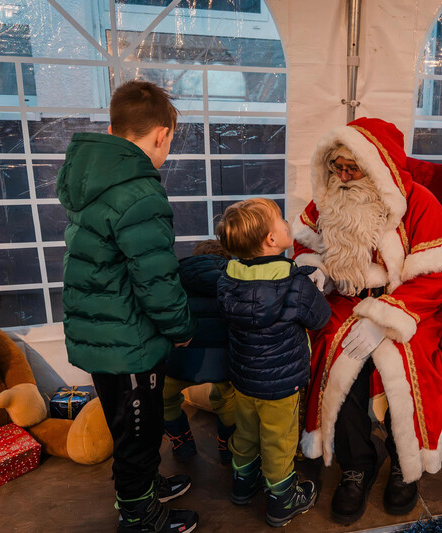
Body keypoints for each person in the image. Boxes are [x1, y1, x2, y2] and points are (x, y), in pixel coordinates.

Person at [293, 117, 442, 525]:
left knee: (408, 357)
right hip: (343, 302)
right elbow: (305, 247)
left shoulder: (418, 202)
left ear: (378, 166)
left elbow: (436, 275)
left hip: (406, 305)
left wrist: (386, 318)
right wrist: (316, 272)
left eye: (352, 168)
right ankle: (356, 464)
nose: (342, 177)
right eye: (336, 167)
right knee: (332, 351)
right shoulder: (327, 198)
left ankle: (404, 460)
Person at [58, 79, 198, 533]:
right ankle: (140, 516)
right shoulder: (139, 192)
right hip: (129, 341)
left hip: (102, 336)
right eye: (170, 141)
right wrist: (180, 327)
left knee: (128, 426)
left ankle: (143, 487)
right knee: (138, 433)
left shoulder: (91, 177)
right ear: (162, 134)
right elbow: (156, 279)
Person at [215, 198, 331, 528]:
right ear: (271, 240)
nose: (285, 224)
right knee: (279, 440)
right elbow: (320, 317)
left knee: (247, 432)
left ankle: (242, 484)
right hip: (281, 384)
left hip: (244, 378)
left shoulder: (227, 279)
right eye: (280, 220)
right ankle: (282, 501)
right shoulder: (293, 282)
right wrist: (312, 285)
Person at [162, 240, 237, 464]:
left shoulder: (174, 280)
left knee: (166, 398)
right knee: (227, 399)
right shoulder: (234, 281)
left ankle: (181, 441)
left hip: (180, 359)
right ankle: (227, 446)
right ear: (226, 258)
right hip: (222, 362)